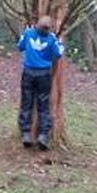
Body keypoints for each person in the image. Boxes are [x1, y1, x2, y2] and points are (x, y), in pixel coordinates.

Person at [17, 15, 65, 150]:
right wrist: (59, 41)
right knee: (43, 104)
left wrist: (26, 32)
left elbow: (20, 46)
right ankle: (43, 135)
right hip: (44, 74)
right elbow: (59, 53)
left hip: (28, 73)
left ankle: (26, 133)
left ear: (37, 24)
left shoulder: (28, 33)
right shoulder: (51, 39)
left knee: (27, 103)